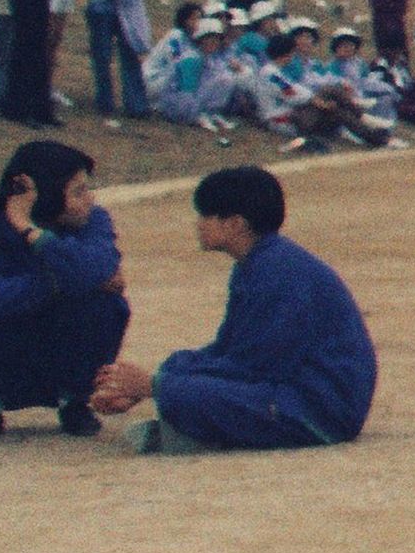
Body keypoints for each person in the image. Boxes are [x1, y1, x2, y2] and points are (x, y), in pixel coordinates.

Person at [85, 165, 377, 453]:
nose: (198, 224)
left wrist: (156, 386)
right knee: (181, 376)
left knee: (188, 393)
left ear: (235, 224)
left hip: (317, 409)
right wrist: (160, 378)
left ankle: (195, 434)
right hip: (293, 391)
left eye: (206, 215)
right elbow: (227, 350)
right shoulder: (258, 264)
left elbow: (256, 366)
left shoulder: (278, 272)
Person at [0, 138, 129, 439]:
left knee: (105, 305)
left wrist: (33, 234)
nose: (90, 199)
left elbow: (98, 268)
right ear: (44, 194)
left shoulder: (95, 219)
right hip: (9, 343)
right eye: (78, 191)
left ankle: (75, 399)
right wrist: (56, 281)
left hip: (61, 339)